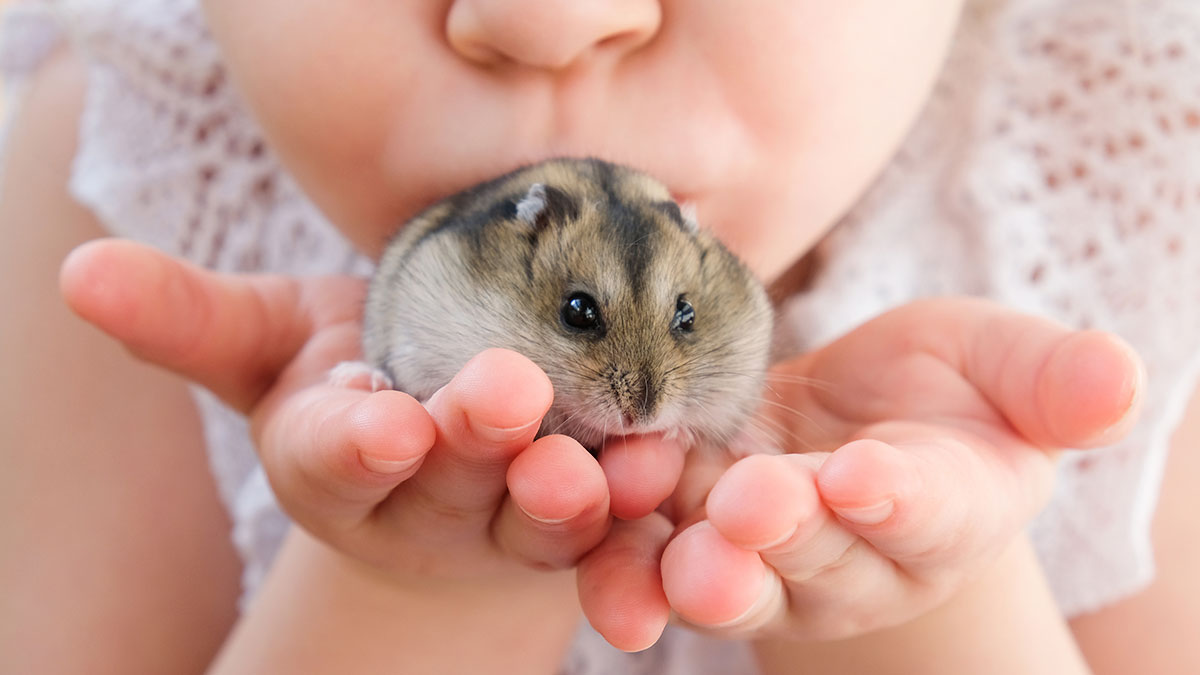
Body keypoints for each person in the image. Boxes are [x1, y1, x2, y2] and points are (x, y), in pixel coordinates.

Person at [1, 1, 1197, 673]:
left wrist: (916, 596)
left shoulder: (1136, 185)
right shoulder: (131, 167)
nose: (549, 20)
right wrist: (406, 586)